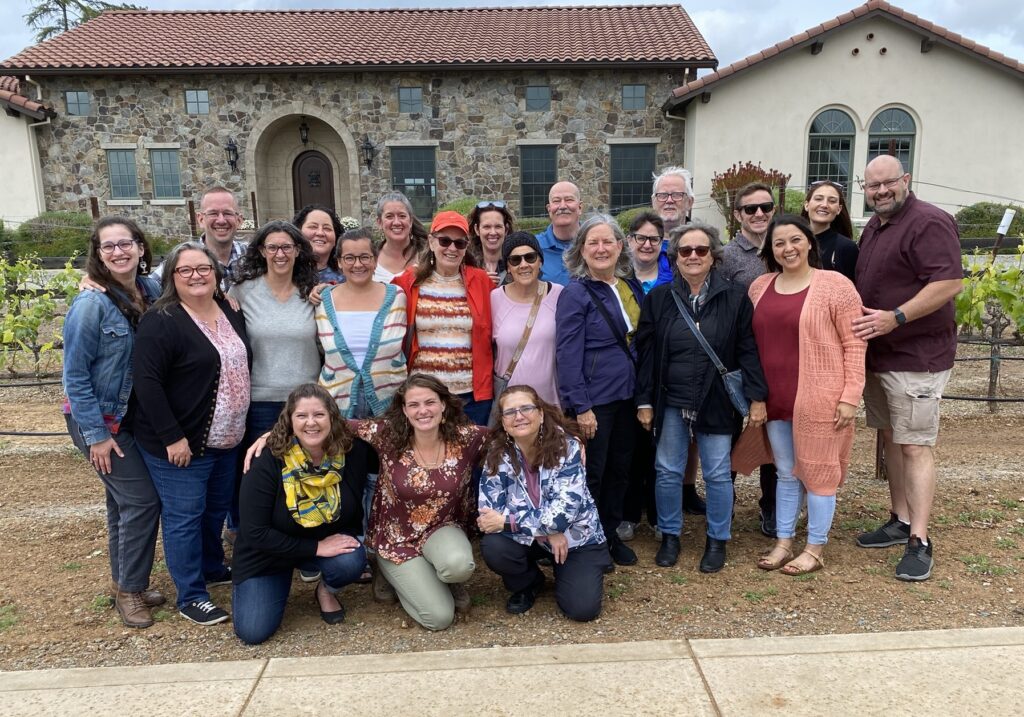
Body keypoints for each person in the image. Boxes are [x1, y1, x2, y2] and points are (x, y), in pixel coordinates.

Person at [852, 155, 963, 582]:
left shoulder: (928, 221)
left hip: (916, 358)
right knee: (891, 438)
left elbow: (949, 283)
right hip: (882, 355)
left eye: (887, 183)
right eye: (872, 185)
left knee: (915, 444)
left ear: (906, 180)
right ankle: (899, 519)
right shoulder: (877, 226)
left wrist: (894, 317)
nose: (880, 191)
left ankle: (920, 539)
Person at [636, 221, 767, 572]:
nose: (693, 256)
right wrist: (644, 400)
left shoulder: (734, 296)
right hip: (671, 399)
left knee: (718, 473)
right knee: (667, 471)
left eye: (701, 250)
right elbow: (646, 354)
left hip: (716, 399)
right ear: (675, 257)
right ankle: (670, 535)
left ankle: (717, 539)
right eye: (685, 251)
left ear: (714, 256)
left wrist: (757, 397)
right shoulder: (660, 299)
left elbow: (748, 350)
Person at [133, 241, 252, 625]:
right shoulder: (162, 319)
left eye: (203, 268)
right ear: (171, 278)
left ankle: (213, 567)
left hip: (227, 438)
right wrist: (172, 437)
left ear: (216, 274)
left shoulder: (231, 311)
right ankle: (191, 595)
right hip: (183, 442)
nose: (196, 276)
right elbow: (147, 383)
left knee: (214, 511)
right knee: (184, 516)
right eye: (185, 270)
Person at [62, 217, 164, 629]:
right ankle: (129, 591)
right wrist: (97, 437)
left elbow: (194, 281)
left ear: (141, 248)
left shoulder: (151, 290)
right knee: (142, 501)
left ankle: (127, 581)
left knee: (122, 502)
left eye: (127, 243)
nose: (119, 252)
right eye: (109, 247)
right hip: (101, 421)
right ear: (98, 255)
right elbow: (75, 377)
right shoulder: (90, 305)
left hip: (132, 418)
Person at [750, 216, 866, 575]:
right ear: (771, 250)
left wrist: (850, 395)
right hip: (776, 398)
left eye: (795, 240)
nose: (788, 248)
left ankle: (815, 547)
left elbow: (854, 342)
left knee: (818, 475)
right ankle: (784, 541)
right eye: (780, 242)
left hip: (820, 397)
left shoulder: (835, 285)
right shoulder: (759, 286)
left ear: (810, 243)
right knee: (785, 472)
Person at [231, 384, 366, 645]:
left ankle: (326, 590)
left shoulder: (351, 452)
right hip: (268, 554)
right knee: (253, 632)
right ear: (289, 421)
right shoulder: (268, 458)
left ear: (333, 418)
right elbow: (254, 532)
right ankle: (277, 581)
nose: (311, 423)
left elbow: (387, 433)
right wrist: (315, 548)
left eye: (319, 415)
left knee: (350, 562)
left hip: (325, 542)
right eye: (301, 416)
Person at [351, 374, 487, 631]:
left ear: (443, 405)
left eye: (430, 402)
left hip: (443, 530)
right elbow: (333, 425)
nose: (423, 410)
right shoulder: (387, 436)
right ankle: (392, 573)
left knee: (458, 566)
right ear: (404, 410)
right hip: (396, 540)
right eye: (414, 404)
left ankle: (439, 575)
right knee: (438, 618)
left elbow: (515, 432)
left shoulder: (467, 439)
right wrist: (274, 435)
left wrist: (566, 442)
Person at [316, 226, 408, 576]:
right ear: (339, 261)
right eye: (350, 257)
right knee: (345, 475)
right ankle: (352, 546)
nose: (358, 264)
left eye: (365, 256)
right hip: (339, 404)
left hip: (388, 402)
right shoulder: (323, 300)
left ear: (375, 258)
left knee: (384, 474)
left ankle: (384, 544)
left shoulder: (396, 296)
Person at [555, 214, 644, 569]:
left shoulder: (628, 287)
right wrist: (581, 406)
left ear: (620, 246)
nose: (601, 248)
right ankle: (587, 542)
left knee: (621, 469)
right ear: (581, 250)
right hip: (596, 401)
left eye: (608, 241)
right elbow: (567, 353)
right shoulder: (575, 294)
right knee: (594, 474)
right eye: (593, 242)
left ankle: (608, 535)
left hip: (628, 397)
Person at [226, 221, 321, 544]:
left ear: (298, 251)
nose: (280, 254)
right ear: (261, 252)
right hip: (260, 402)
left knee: (306, 474)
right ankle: (254, 541)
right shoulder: (242, 292)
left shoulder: (314, 292)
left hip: (306, 402)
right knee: (260, 474)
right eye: (272, 247)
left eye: (287, 247)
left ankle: (306, 539)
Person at [478, 386, 608, 620]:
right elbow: (489, 513)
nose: (519, 416)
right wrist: (548, 531)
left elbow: (562, 516)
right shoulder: (496, 453)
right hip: (533, 537)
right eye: (510, 412)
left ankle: (573, 571)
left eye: (526, 408)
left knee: (583, 610)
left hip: (575, 538)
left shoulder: (567, 447)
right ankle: (529, 582)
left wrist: (547, 526)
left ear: (540, 413)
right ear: (504, 422)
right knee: (494, 546)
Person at [393, 211, 494, 426]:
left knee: (472, 458)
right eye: (445, 241)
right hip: (425, 396)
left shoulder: (482, 281)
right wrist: (326, 290)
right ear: (431, 242)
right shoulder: (408, 282)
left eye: (459, 243)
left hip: (470, 396)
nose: (452, 248)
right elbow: (371, 295)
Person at [720, 181, 779, 539]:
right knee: (726, 437)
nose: (759, 214)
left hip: (776, 359)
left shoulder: (785, 246)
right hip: (737, 362)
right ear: (738, 214)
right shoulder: (727, 257)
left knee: (774, 439)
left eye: (765, 207)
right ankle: (722, 510)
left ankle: (770, 508)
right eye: (750, 209)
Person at [490, 232, 563, 409]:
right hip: (511, 406)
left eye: (530, 257)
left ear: (540, 261)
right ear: (507, 267)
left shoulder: (559, 294)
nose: (524, 265)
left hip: (550, 404)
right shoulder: (494, 298)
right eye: (515, 260)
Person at [153, 187, 247, 290]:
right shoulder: (181, 261)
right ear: (201, 219)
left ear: (239, 220)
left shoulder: (253, 255)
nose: (221, 220)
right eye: (213, 213)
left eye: (228, 213)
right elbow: (148, 288)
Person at [800, 181, 859, 282]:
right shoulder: (792, 242)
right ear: (806, 205)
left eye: (832, 201)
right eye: (818, 199)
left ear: (839, 209)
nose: (824, 205)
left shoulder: (847, 248)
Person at [374, 192, 429, 283]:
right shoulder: (370, 259)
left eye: (402, 216)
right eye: (389, 216)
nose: (396, 222)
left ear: (410, 221)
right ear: (379, 222)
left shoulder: (426, 257)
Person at [536, 181, 583, 286]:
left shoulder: (595, 245)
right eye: (556, 201)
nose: (562, 206)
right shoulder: (534, 247)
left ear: (580, 207)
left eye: (569, 200)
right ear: (549, 209)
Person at [293, 204, 345, 284]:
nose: (320, 233)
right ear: (298, 232)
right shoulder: (286, 274)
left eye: (327, 228)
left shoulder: (347, 276)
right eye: (313, 227)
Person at [468, 200, 516, 286]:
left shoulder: (517, 263)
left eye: (498, 226)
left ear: (506, 229)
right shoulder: (467, 266)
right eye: (487, 227)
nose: (493, 232)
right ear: (477, 229)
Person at [651, 166, 695, 236]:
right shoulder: (639, 242)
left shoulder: (705, 244)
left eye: (677, 194)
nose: (669, 200)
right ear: (654, 202)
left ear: (689, 202)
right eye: (663, 195)